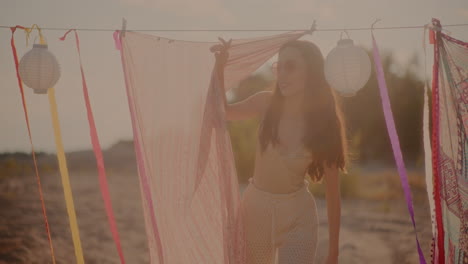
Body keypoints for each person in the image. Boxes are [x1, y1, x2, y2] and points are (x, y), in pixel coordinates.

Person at [211, 37, 347, 264]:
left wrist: (334, 251)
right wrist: (219, 68)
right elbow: (223, 112)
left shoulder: (324, 124)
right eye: (279, 67)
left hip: (298, 218)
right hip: (255, 213)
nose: (282, 74)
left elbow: (333, 194)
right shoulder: (266, 104)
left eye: (291, 67)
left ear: (311, 72)